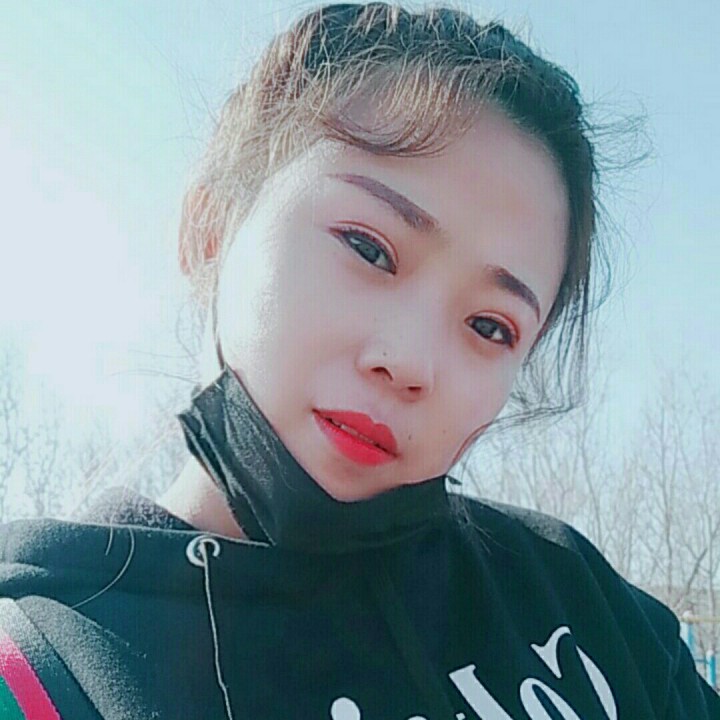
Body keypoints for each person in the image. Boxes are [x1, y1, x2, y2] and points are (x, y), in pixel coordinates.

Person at [0, 3, 717, 719]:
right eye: (369, 249)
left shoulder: (579, 606)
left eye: (490, 326)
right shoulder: (42, 670)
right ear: (212, 229)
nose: (410, 363)